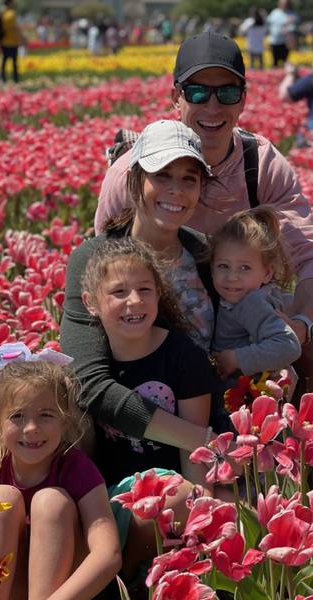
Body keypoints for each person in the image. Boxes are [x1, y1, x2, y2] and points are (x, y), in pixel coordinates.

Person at [95, 32, 313, 398]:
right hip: (159, 306)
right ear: (175, 96)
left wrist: (301, 325)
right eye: (196, 92)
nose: (212, 106)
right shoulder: (131, 174)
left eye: (226, 92)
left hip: (237, 300)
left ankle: (303, 422)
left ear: (242, 100)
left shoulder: (261, 164)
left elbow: (312, 255)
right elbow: (103, 265)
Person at [79, 236, 215, 581]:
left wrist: (202, 509)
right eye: (119, 292)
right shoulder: (92, 363)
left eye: (145, 289)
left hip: (169, 490)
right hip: (108, 495)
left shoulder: (185, 358)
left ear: (159, 294)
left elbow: (194, 446)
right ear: (90, 303)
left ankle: (122, 580)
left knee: (184, 498)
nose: (134, 301)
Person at [0, 352, 121, 600]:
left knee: (51, 502)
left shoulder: (77, 470)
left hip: (61, 594)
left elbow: (108, 554)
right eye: (17, 416)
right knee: (0, 499)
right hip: (1, 591)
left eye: (46, 415)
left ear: (64, 421)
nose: (31, 428)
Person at [209, 207, 301, 388]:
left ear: (267, 273)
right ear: (211, 268)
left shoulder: (250, 302)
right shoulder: (255, 295)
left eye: (244, 268)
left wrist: (236, 359)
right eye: (223, 266)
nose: (232, 277)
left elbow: (288, 345)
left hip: (248, 393)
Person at [0, 0, 24, 83]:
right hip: (12, 41)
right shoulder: (12, 14)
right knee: (14, 61)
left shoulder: (2, 12)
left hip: (3, 40)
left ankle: (2, 78)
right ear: (9, 3)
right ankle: (15, 78)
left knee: (4, 60)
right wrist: (21, 39)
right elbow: (15, 28)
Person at [266, 0, 294, 67]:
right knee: (275, 61)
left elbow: (293, 26)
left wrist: (289, 28)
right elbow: (268, 23)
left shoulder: (291, 14)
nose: (284, 5)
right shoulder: (274, 12)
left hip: (285, 42)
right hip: (274, 41)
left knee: (285, 61)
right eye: (282, 3)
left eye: (286, 4)